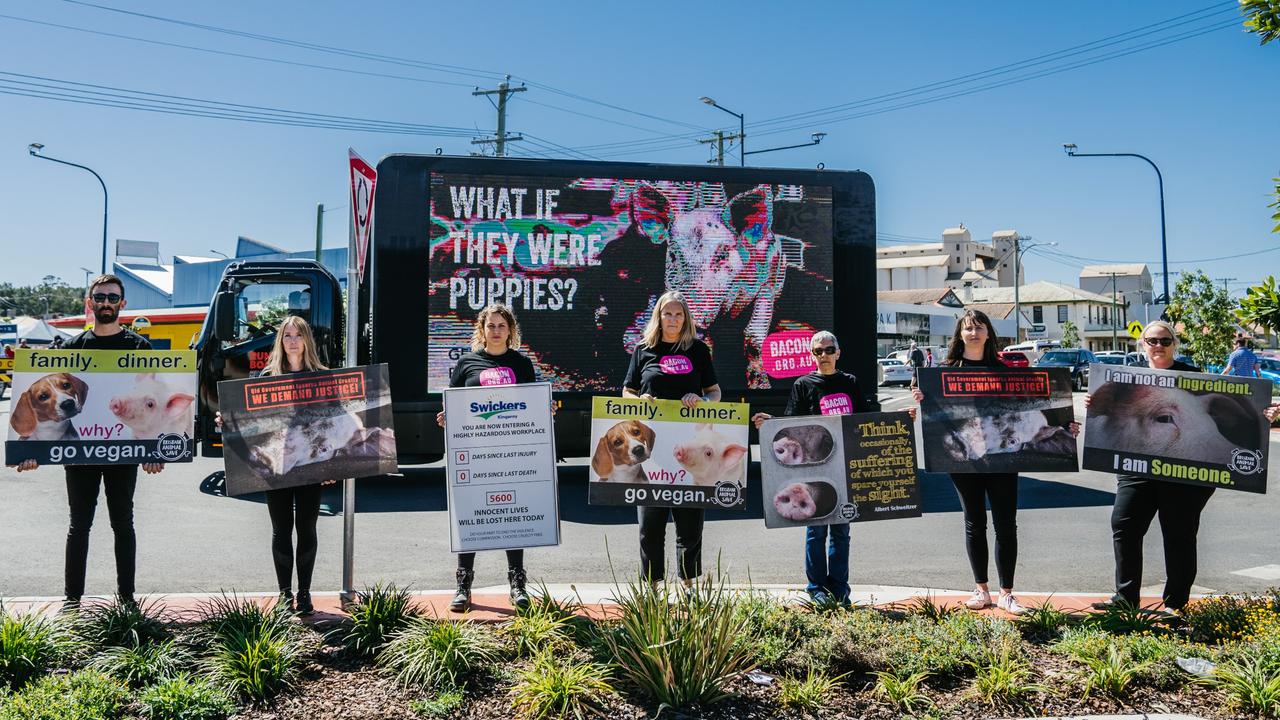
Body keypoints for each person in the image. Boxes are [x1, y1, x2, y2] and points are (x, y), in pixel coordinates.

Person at [10, 275, 164, 610]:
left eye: (112, 297)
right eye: (100, 296)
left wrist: (155, 452)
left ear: (122, 304)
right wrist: (31, 453)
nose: (106, 302)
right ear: (89, 302)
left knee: (123, 523)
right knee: (79, 524)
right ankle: (72, 601)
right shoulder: (70, 348)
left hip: (123, 451)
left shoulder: (140, 348)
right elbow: (40, 400)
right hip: (79, 450)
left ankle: (126, 599)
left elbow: (153, 400)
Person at [911, 310, 1078, 615]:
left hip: (1003, 460)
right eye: (968, 328)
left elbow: (1042, 406)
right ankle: (981, 590)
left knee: (1005, 524)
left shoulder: (1006, 372)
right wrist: (920, 399)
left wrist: (1067, 425)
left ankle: (1007, 593)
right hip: (965, 463)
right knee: (974, 523)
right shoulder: (944, 373)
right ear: (959, 335)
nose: (974, 333)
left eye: (979, 327)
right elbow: (935, 416)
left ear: (989, 333)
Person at [751, 331, 915, 604]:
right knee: (815, 531)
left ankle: (840, 590)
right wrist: (768, 423)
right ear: (812, 355)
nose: (824, 355)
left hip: (845, 467)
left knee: (841, 531)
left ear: (838, 353)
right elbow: (790, 424)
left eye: (828, 350)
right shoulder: (803, 384)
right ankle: (816, 590)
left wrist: (901, 419)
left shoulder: (850, 382)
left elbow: (865, 420)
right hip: (811, 470)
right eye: (818, 351)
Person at [1088, 320, 1215, 613]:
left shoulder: (1194, 377)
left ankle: (1176, 603)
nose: (1158, 346)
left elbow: (1230, 407)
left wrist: (1266, 413)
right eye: (1152, 340)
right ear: (1142, 344)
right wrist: (1094, 403)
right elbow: (1106, 414)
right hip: (1136, 467)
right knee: (1124, 525)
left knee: (1179, 534)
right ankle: (1125, 598)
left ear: (1175, 344)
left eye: (1165, 341)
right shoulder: (1126, 377)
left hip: (1182, 471)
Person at [217, 315, 335, 615]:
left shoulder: (322, 377)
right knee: (280, 529)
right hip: (277, 466)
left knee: (307, 527)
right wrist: (228, 421)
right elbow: (252, 423)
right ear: (280, 342)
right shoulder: (266, 378)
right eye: (287, 335)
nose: (292, 340)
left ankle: (305, 593)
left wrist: (335, 464)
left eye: (298, 335)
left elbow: (334, 424)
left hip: (310, 466)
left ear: (307, 340)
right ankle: (285, 595)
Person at [436, 304, 539, 612]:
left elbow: (531, 403)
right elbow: (453, 403)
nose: (496, 331)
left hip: (511, 451)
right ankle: (463, 586)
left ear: (510, 331)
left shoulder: (521, 363)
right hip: (475, 453)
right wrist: (445, 418)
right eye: (490, 325)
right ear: (481, 330)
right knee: (471, 515)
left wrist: (543, 410)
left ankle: (518, 584)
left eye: (501, 326)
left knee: (513, 514)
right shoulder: (467, 363)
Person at [623, 291, 721, 587]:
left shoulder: (698, 350)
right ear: (659, 316)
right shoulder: (643, 350)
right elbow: (626, 392)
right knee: (649, 525)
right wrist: (641, 399)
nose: (673, 320)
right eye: (668, 314)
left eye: (679, 314)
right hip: (651, 454)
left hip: (689, 450)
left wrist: (702, 400)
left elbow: (715, 393)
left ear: (686, 318)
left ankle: (689, 586)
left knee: (690, 524)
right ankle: (652, 588)